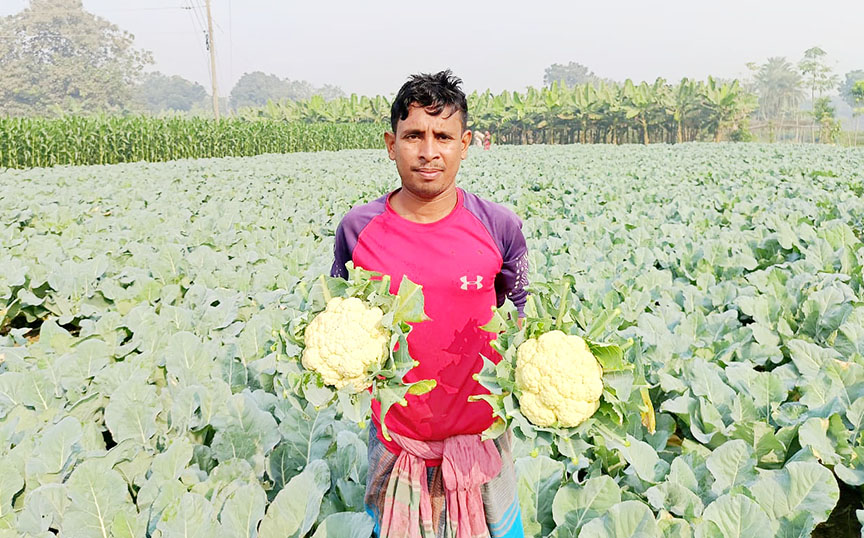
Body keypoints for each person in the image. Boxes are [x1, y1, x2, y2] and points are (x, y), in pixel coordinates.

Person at [331, 70, 528, 538]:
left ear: (465, 144)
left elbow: (520, 316)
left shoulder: (499, 226)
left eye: (443, 136)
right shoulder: (358, 230)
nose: (428, 151)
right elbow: (341, 318)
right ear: (390, 143)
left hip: (484, 449)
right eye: (413, 135)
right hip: (396, 448)